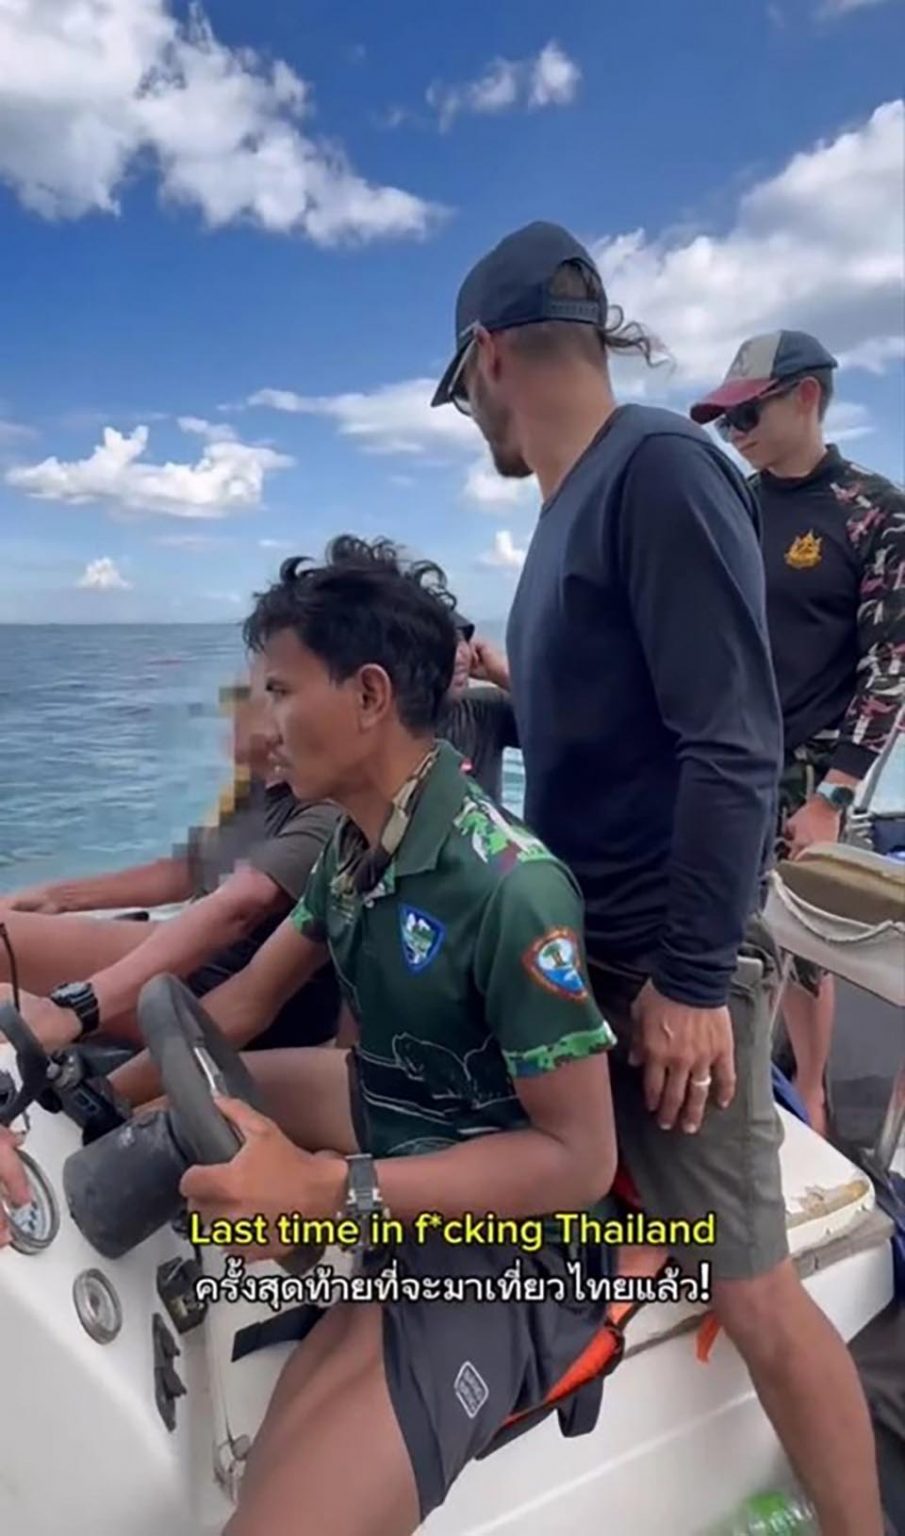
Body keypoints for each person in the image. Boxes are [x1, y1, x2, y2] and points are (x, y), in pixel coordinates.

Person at [431, 221, 884, 1535]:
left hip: (664, 970)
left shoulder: (659, 468)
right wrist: (493, 695)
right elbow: (609, 730)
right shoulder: (567, 511)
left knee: (751, 1287)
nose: (474, 421)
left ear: (491, 356)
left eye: (464, 393)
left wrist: (691, 986)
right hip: (584, 963)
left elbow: (733, 745)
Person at [119, 536, 617, 1534]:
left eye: (279, 689)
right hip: (399, 1127)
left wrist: (327, 1193)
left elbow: (580, 1159)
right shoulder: (355, 846)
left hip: (506, 1240)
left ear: (369, 695)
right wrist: (85, 1095)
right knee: (184, 1095)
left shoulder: (511, 888)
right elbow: (242, 1006)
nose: (260, 722)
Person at [690, 330, 905, 1137]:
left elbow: (890, 667)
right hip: (722, 749)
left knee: (800, 938)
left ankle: (808, 1092)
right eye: (724, 421)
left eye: (746, 414)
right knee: (721, 919)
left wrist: (833, 797)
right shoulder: (729, 504)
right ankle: (740, 1079)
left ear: (806, 397)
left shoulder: (871, 511)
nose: (733, 433)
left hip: (809, 760)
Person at [0, 664, 341, 1066]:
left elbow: (241, 907)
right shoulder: (258, 791)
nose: (228, 711)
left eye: (240, 698)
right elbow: (188, 870)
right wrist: (58, 897)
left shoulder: (322, 809)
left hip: (210, 984)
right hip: (194, 958)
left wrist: (78, 1007)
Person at [436, 610, 518, 801]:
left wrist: (506, 675)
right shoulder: (386, 727)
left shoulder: (484, 709)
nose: (458, 657)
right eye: (443, 645)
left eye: (460, 640)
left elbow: (574, 723)